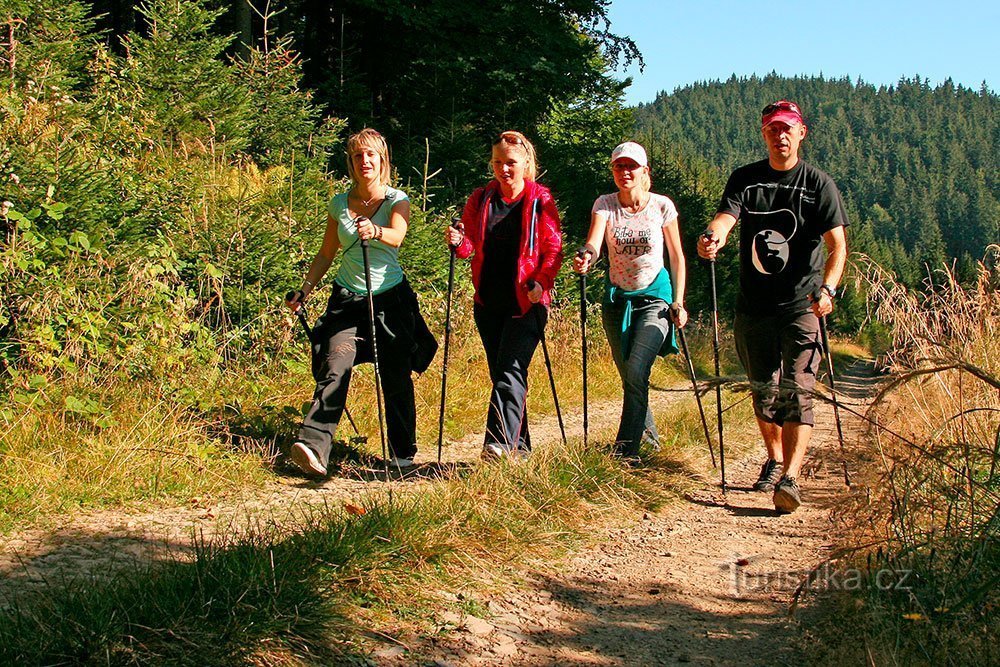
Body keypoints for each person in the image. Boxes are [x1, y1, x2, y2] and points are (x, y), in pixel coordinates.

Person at [697, 100, 848, 512]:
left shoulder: (818, 184)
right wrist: (713, 235)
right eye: (772, 129)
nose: (780, 136)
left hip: (802, 304)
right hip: (754, 304)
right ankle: (775, 457)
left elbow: (837, 246)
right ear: (764, 133)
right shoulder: (746, 179)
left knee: (798, 388)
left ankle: (791, 477)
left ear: (801, 133)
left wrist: (829, 289)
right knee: (763, 391)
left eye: (788, 129)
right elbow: (726, 218)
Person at [286, 128, 435, 476]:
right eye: (357, 156)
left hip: (391, 299)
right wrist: (304, 290)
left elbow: (397, 236)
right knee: (334, 365)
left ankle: (402, 453)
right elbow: (326, 253)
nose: (364, 161)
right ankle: (314, 448)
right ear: (351, 162)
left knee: (396, 374)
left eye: (371, 155)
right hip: (347, 299)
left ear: (382, 160)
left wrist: (376, 231)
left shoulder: (397, 199)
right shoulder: (339, 204)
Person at [445, 131, 563, 459]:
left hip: (528, 303)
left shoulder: (540, 199)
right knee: (504, 377)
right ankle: (521, 451)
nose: (504, 169)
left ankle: (496, 444)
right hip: (488, 304)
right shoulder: (481, 199)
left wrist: (542, 282)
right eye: (498, 162)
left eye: (511, 163)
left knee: (510, 371)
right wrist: (457, 242)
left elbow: (554, 249)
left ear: (526, 164)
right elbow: (468, 249)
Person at [573, 141, 687, 457]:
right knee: (630, 376)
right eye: (619, 166)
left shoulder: (662, 206)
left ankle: (626, 449)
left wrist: (678, 300)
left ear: (644, 171)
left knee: (637, 369)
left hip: (656, 298)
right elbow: (594, 242)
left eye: (631, 166)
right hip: (617, 300)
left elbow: (676, 256)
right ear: (613, 171)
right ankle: (648, 439)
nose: (625, 172)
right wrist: (587, 256)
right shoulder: (605, 204)